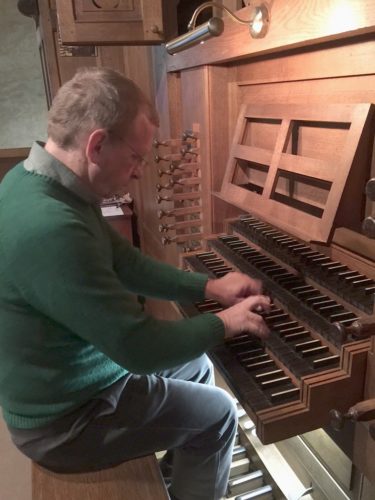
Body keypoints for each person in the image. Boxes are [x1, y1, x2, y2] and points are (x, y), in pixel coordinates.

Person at [0, 67, 271, 500]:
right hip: (64, 422)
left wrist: (210, 288)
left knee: (199, 366)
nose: (140, 172)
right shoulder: (52, 227)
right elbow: (138, 349)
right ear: (97, 144)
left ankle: (180, 470)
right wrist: (226, 322)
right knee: (220, 414)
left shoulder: (40, 182)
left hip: (75, 383)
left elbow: (125, 263)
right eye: (136, 158)